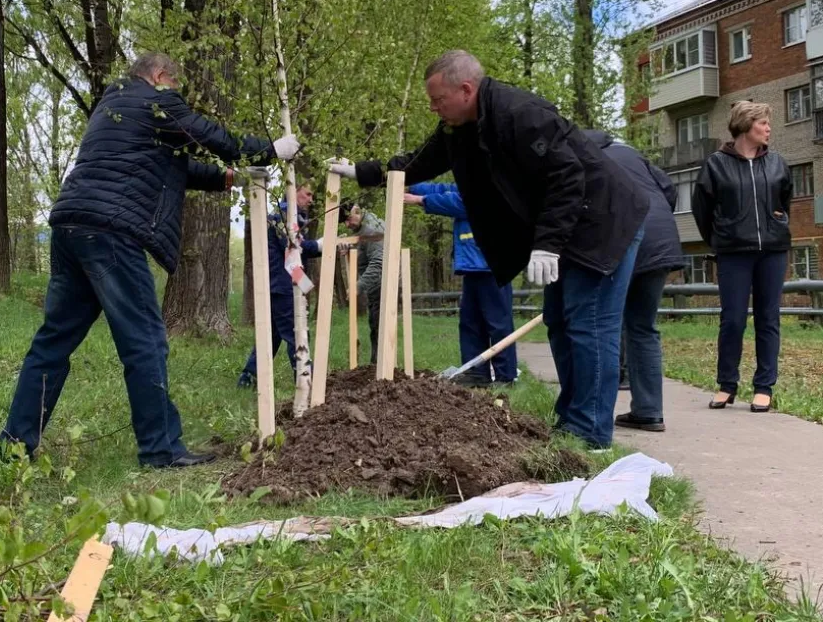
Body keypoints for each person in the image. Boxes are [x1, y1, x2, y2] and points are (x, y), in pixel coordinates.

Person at [330, 50, 650, 450]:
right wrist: (364, 172)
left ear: (465, 89)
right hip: (567, 225)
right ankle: (572, 422)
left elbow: (569, 176)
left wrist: (547, 245)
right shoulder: (461, 126)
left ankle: (590, 435)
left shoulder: (521, 113)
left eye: (437, 100)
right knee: (561, 322)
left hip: (601, 221)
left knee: (589, 325)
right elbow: (419, 162)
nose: (433, 108)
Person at [0, 52, 299, 468]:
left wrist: (230, 177)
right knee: (145, 341)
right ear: (160, 77)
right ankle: (160, 449)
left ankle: (15, 447)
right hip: (111, 233)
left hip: (71, 225)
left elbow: (173, 166)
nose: (176, 95)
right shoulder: (157, 101)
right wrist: (268, 151)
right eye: (175, 86)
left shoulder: (114, 107)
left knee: (52, 343)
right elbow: (212, 138)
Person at [692, 101, 792, 414]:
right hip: (733, 252)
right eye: (763, 123)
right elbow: (702, 211)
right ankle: (726, 385)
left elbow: (784, 199)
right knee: (733, 320)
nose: (768, 128)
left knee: (768, 318)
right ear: (746, 125)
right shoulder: (716, 165)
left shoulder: (777, 162)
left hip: (772, 252)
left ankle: (764, 387)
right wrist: (721, 238)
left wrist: (778, 221)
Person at [589, 131, 684, 432]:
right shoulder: (631, 153)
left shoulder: (584, 157)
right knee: (644, 325)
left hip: (624, 237)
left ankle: (593, 413)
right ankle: (649, 411)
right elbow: (669, 189)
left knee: (605, 322)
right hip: (662, 238)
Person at [403, 183, 517, 387]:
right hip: (474, 265)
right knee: (470, 323)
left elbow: (465, 202)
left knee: (498, 324)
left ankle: (505, 377)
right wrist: (413, 186)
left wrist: (421, 200)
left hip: (492, 265)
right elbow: (446, 189)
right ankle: (476, 373)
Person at [238, 184, 322, 388]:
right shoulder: (283, 218)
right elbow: (295, 247)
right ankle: (304, 383)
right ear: (294, 192)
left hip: (282, 284)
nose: (311, 200)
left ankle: (247, 379)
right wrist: (320, 245)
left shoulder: (289, 218)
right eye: (307, 193)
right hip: (283, 286)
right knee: (298, 334)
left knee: (272, 337)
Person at [343, 204, 384, 364]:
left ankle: (381, 369)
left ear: (357, 210)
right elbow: (364, 254)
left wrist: (358, 286)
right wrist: (350, 249)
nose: (347, 225)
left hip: (383, 286)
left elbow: (378, 263)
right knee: (375, 326)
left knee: (380, 327)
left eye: (348, 219)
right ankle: (376, 366)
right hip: (375, 287)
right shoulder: (362, 229)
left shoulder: (372, 229)